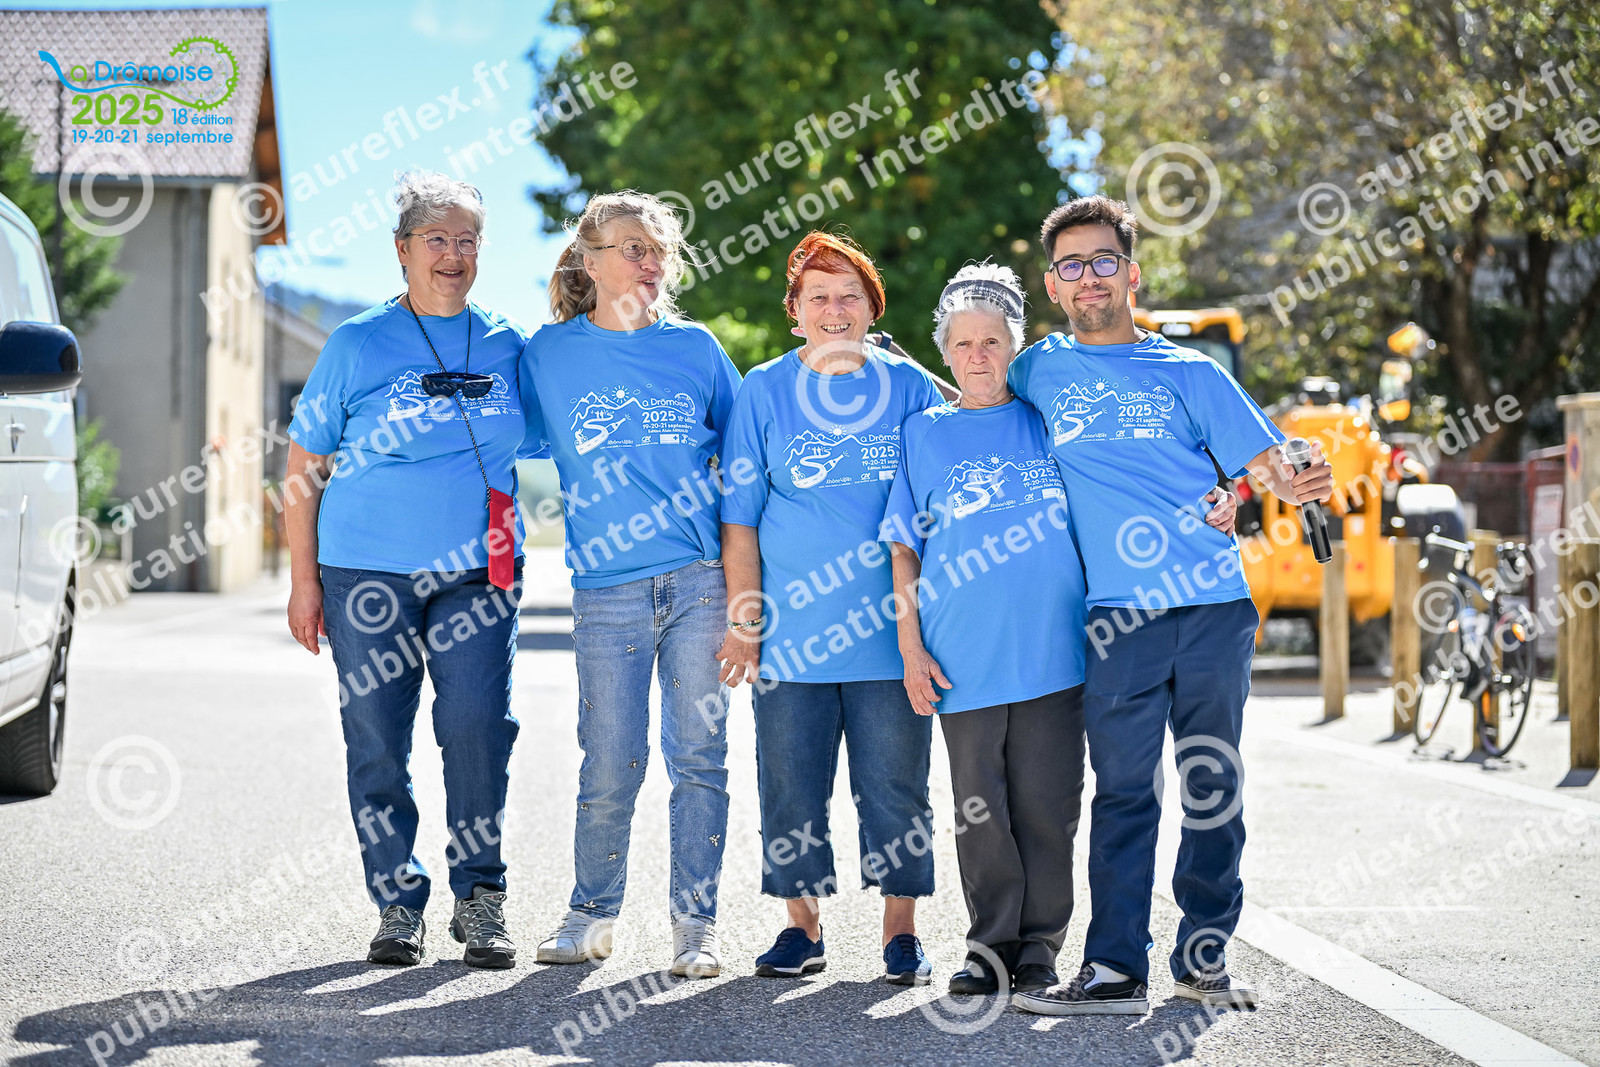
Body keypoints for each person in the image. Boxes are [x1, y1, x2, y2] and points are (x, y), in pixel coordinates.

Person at [1007, 195, 1333, 1017]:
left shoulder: (1192, 372)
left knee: (1211, 784)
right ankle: (1115, 968)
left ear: (1133, 273)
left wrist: (1300, 477)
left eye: (1104, 260)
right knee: (1123, 792)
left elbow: (1271, 466)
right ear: (1053, 284)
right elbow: (970, 400)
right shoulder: (1034, 370)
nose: (1090, 277)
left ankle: (1204, 960)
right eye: (1073, 264)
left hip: (1215, 607)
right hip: (1117, 617)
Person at [884, 263, 1236, 998]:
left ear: (1014, 348)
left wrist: (1221, 489)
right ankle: (990, 946)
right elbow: (904, 547)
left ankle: (1040, 947)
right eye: (963, 343)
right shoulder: (922, 434)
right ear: (944, 351)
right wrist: (910, 646)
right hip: (961, 653)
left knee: (1049, 809)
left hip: (1061, 653)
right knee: (981, 814)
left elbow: (1135, 469)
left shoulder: (1049, 420)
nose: (978, 355)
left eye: (992, 341)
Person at [285, 169, 530, 970]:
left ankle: (481, 896)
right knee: (377, 738)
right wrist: (304, 581)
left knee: (478, 726)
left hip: (480, 568)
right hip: (365, 571)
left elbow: (563, 425)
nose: (453, 255)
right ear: (402, 249)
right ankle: (398, 900)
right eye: (437, 239)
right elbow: (303, 467)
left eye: (468, 240)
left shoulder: (509, 344)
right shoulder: (357, 343)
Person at [719, 231, 954, 986]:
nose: (834, 308)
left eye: (850, 294)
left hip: (895, 638)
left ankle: (900, 932)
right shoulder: (763, 390)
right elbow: (740, 521)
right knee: (790, 788)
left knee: (897, 788)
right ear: (795, 312)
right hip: (793, 637)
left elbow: (953, 478)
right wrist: (744, 622)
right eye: (817, 295)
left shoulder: (910, 388)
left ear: (872, 309)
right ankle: (802, 926)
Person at [519, 191, 741, 979]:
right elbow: (508, 443)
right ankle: (590, 914)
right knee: (610, 758)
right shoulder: (547, 355)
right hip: (606, 587)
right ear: (590, 259)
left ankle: (696, 926)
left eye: (658, 250)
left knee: (700, 755)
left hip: (700, 581)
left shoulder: (696, 348)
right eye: (633, 248)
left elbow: (748, 451)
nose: (650, 263)